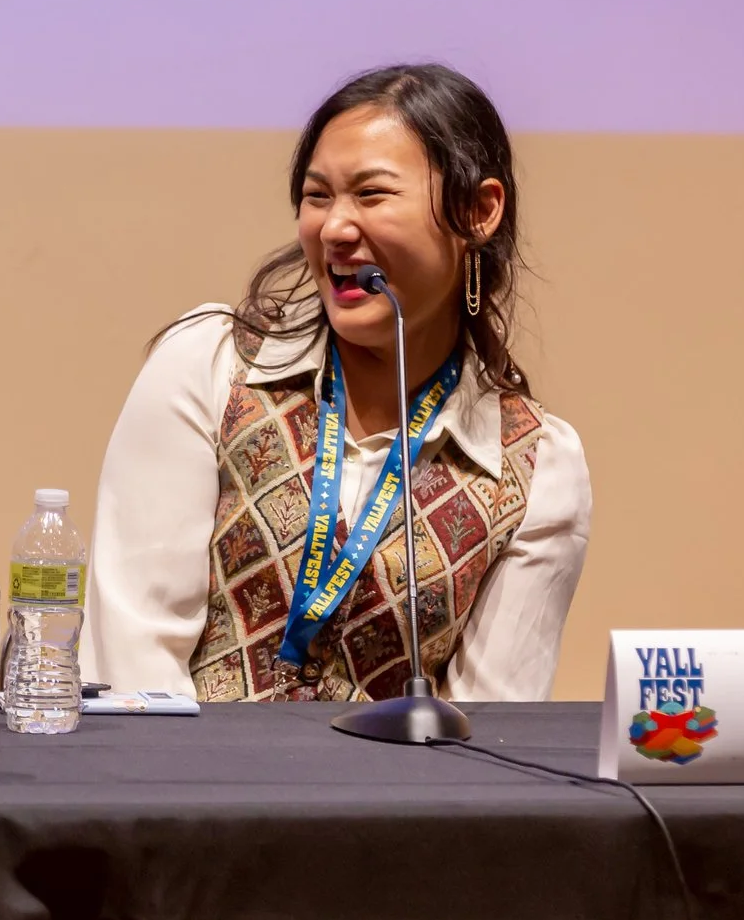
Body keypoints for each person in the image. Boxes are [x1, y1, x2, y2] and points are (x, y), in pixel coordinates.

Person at [82, 63, 591, 702]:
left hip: (391, 804)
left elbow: (488, 738)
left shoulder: (537, 465)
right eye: (318, 196)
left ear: (478, 212)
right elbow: (134, 667)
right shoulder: (210, 366)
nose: (334, 229)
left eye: (372, 195)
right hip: (181, 794)